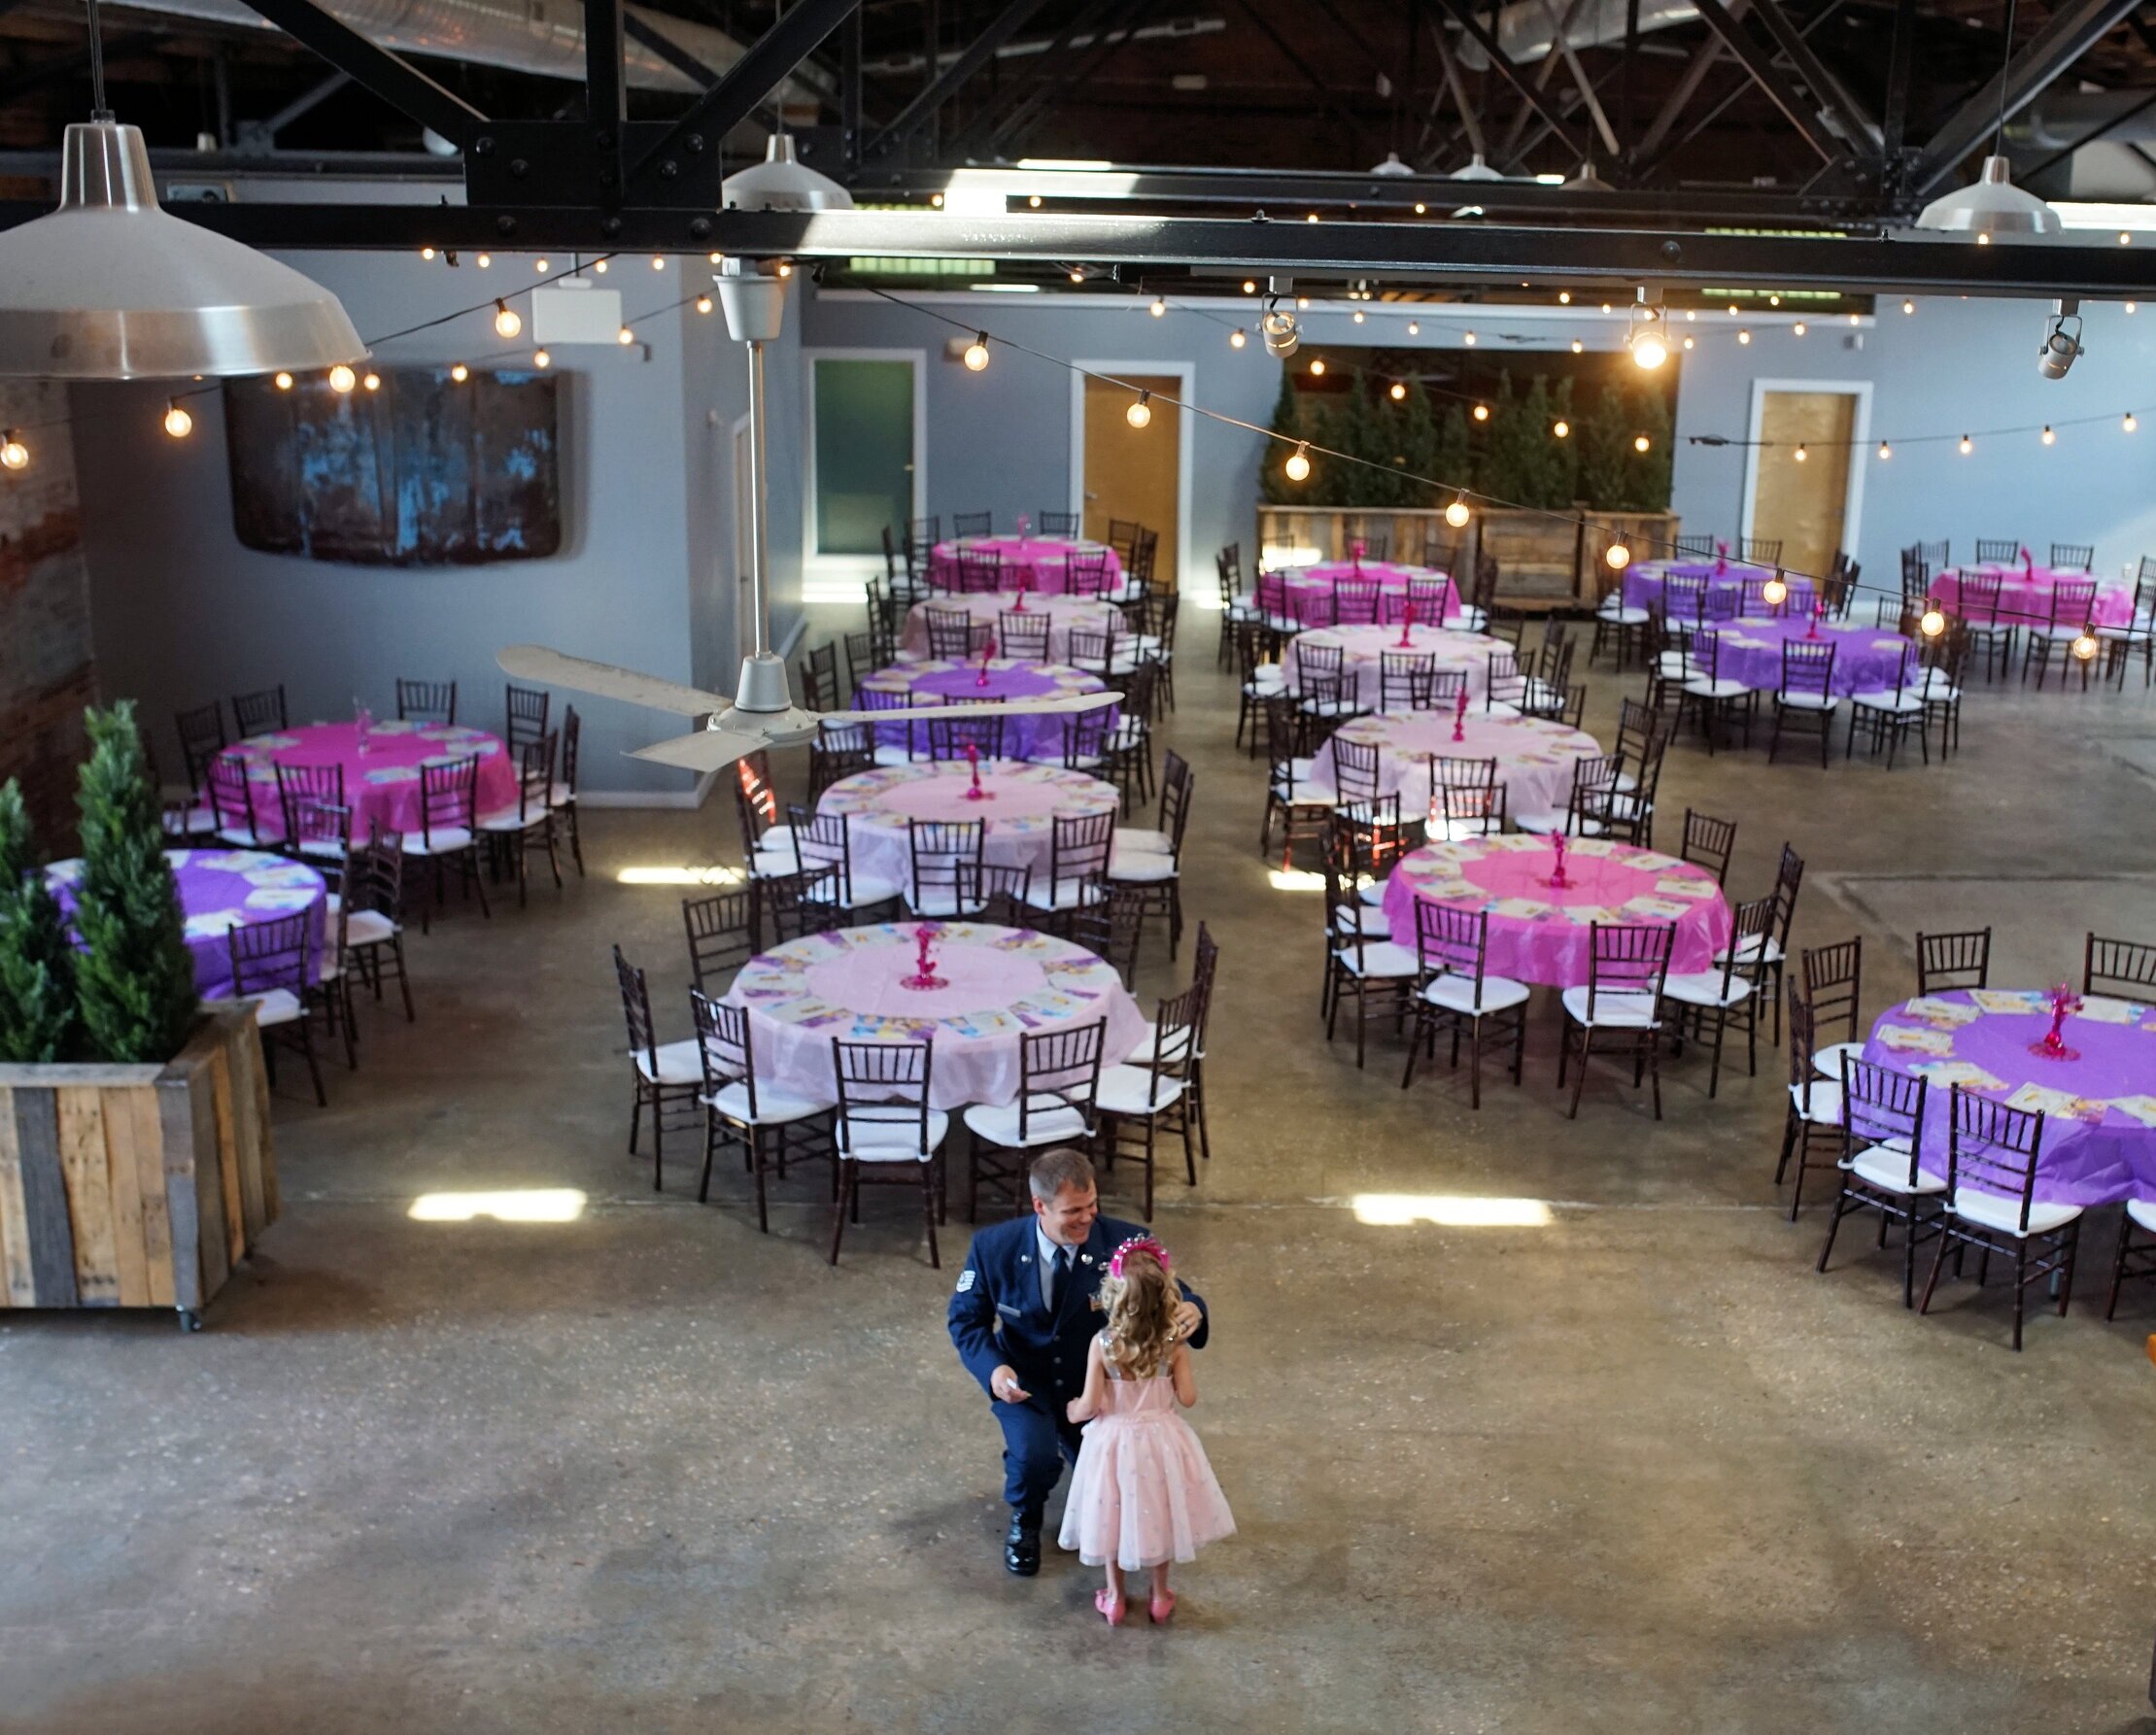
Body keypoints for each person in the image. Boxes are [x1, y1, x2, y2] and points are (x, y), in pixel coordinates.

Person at [946, 1147, 1210, 1577]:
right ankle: (1027, 1518)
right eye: (1073, 1211)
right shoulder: (994, 1248)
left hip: (1096, 1387)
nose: (1087, 1218)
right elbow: (965, 1319)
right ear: (1040, 1206)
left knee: (1124, 1467)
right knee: (1033, 1458)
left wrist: (1194, 1307)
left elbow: (1169, 1289)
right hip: (1026, 1381)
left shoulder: (1124, 1243)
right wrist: (994, 1369)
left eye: (1092, 1205)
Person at [1061, 1235, 1234, 1624]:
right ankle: (1159, 1596)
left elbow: (1089, 1404)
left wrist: (1073, 1411)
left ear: (1114, 1296)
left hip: (1113, 1443)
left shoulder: (1103, 1344)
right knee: (1161, 1515)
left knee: (1110, 1515)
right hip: (1161, 1443)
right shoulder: (1173, 1344)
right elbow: (1188, 1397)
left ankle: (1115, 1598)